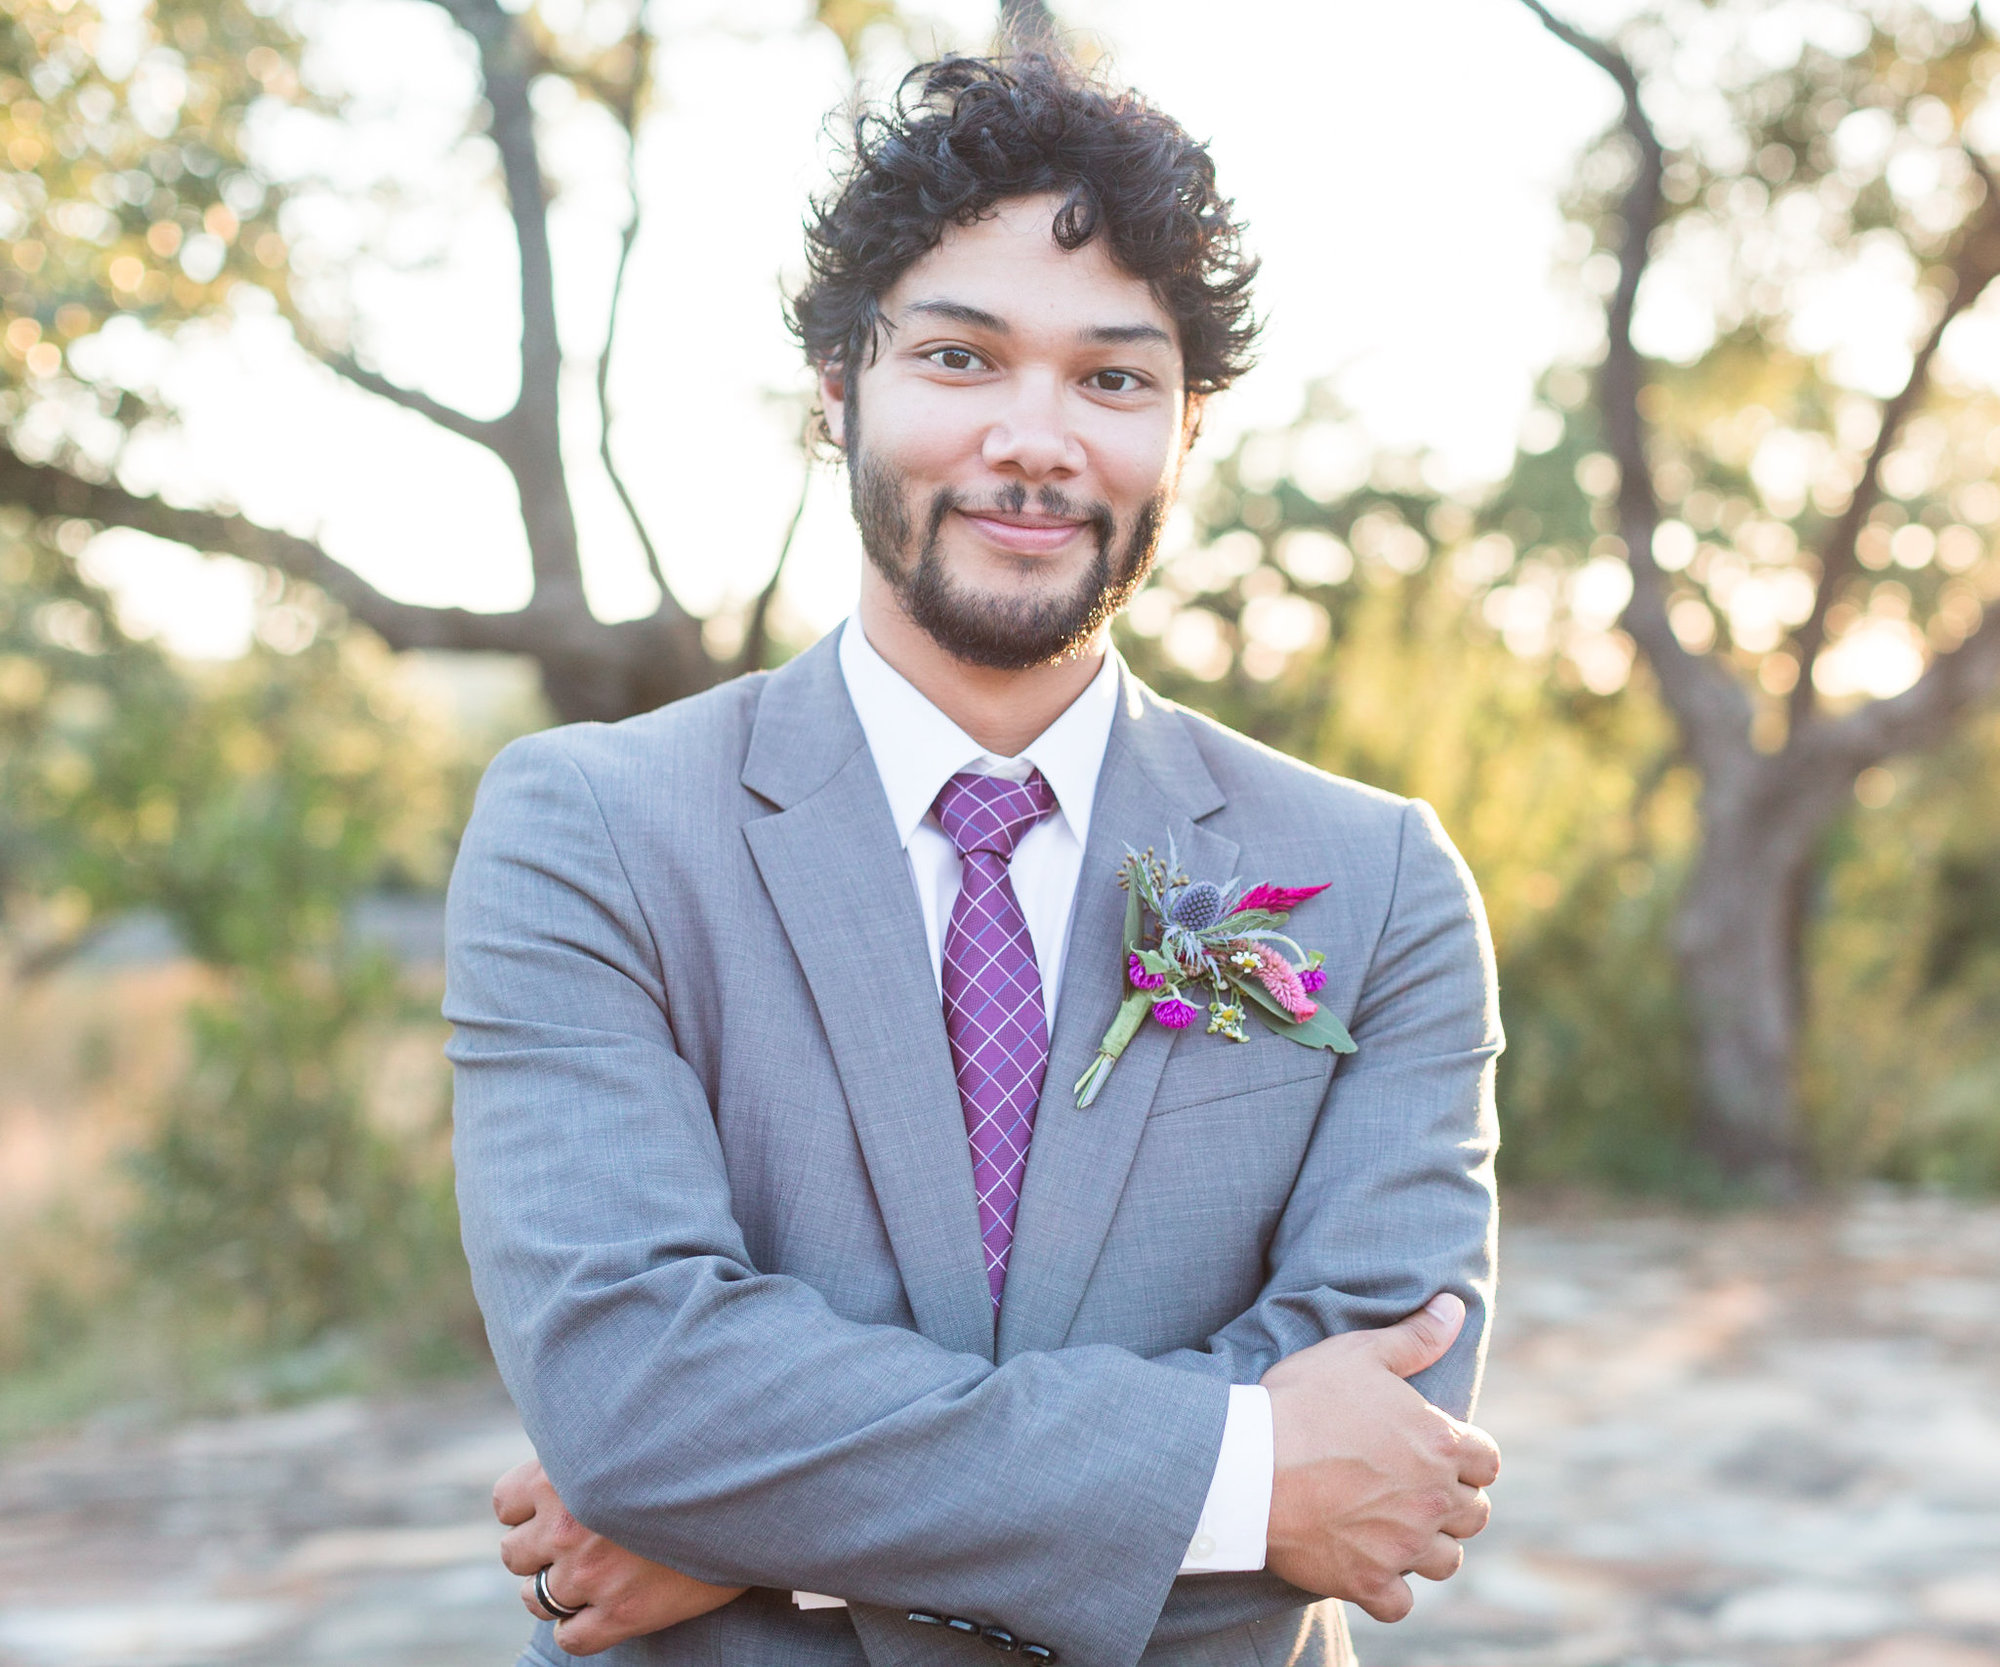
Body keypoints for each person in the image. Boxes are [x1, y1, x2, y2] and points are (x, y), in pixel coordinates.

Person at [447, 51, 1502, 1667]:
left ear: (1185, 424)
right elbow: (636, 1397)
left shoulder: (1380, 882)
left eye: (1114, 379)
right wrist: (1233, 1478)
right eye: (960, 357)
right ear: (836, 388)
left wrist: (747, 1540)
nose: (1036, 438)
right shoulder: (588, 831)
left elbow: (1377, 1430)